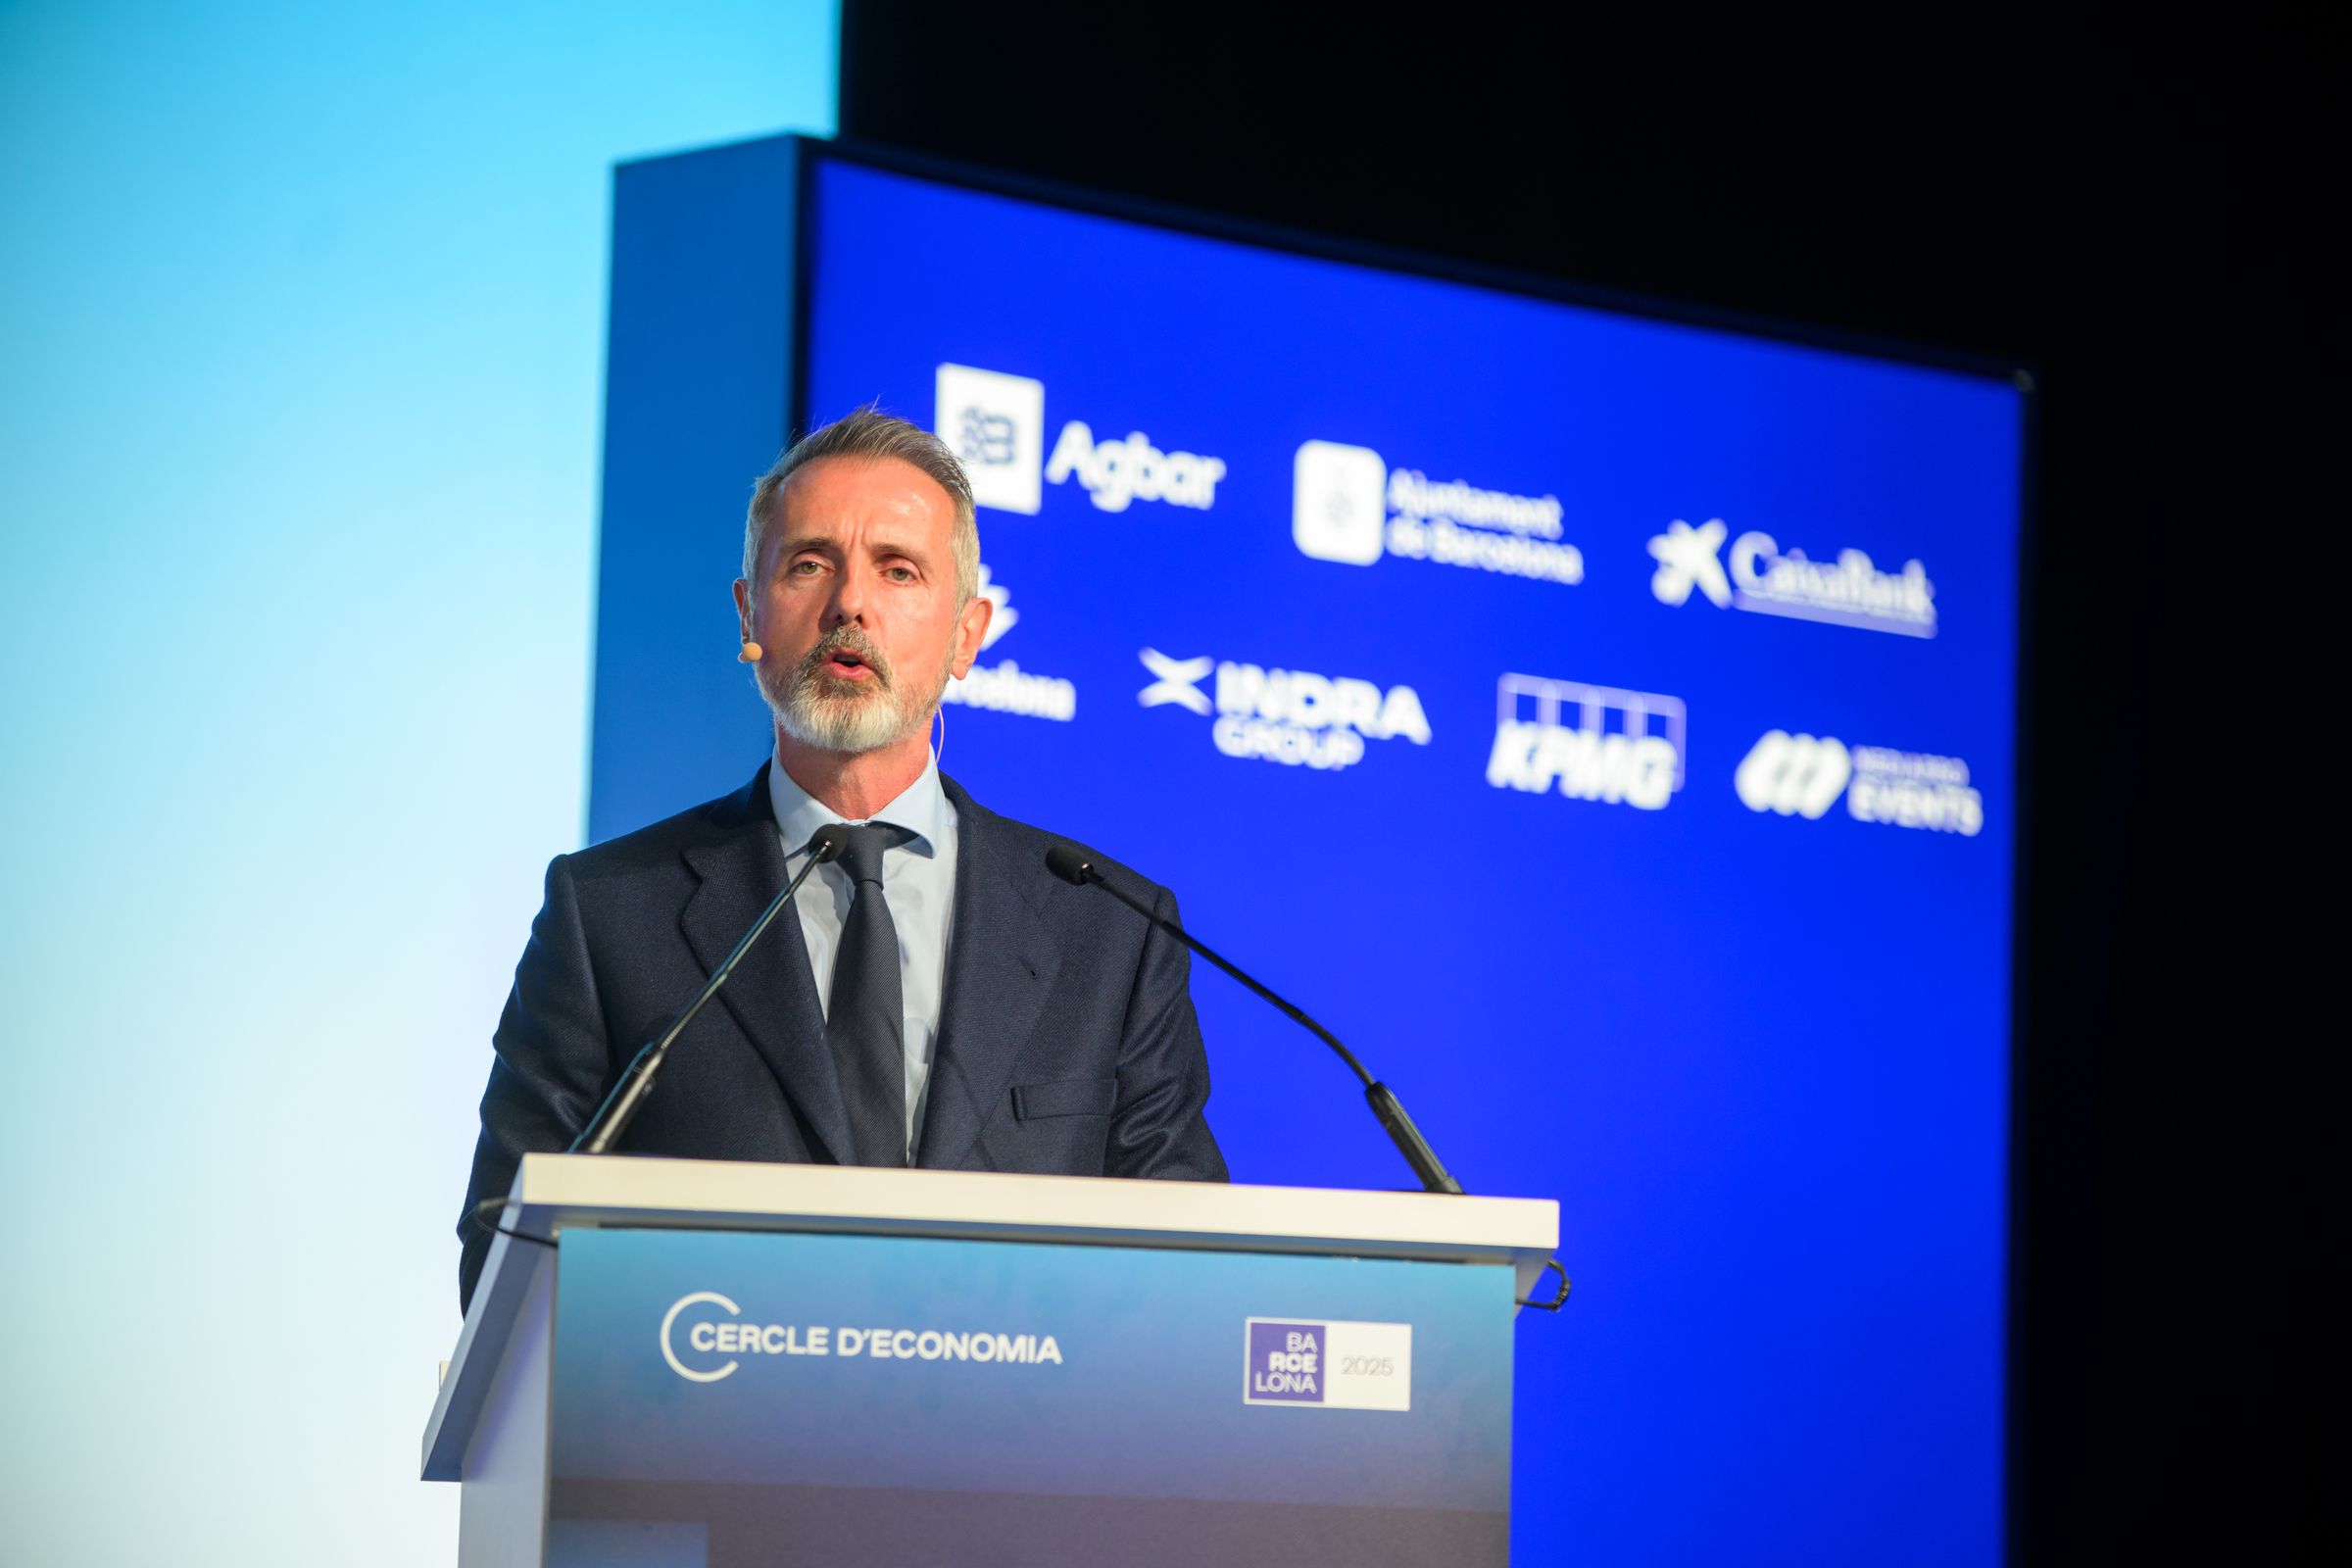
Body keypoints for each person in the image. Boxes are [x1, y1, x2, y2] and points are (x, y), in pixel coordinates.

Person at [456, 407, 1225, 1310]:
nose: (850, 603)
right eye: (810, 563)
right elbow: (503, 1263)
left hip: (1013, 1444)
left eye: (898, 571)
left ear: (966, 637)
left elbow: (1189, 1282)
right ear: (751, 616)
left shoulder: (1110, 934)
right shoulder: (608, 916)